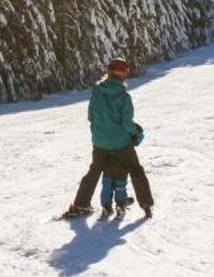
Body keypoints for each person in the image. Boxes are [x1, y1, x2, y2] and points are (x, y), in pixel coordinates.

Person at [60, 58, 154, 221]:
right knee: (135, 170)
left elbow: (91, 116)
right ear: (125, 73)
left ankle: (80, 205)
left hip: (100, 142)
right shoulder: (124, 96)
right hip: (121, 143)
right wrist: (136, 130)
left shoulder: (97, 92)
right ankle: (145, 204)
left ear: (108, 71)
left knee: (94, 170)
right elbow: (126, 123)